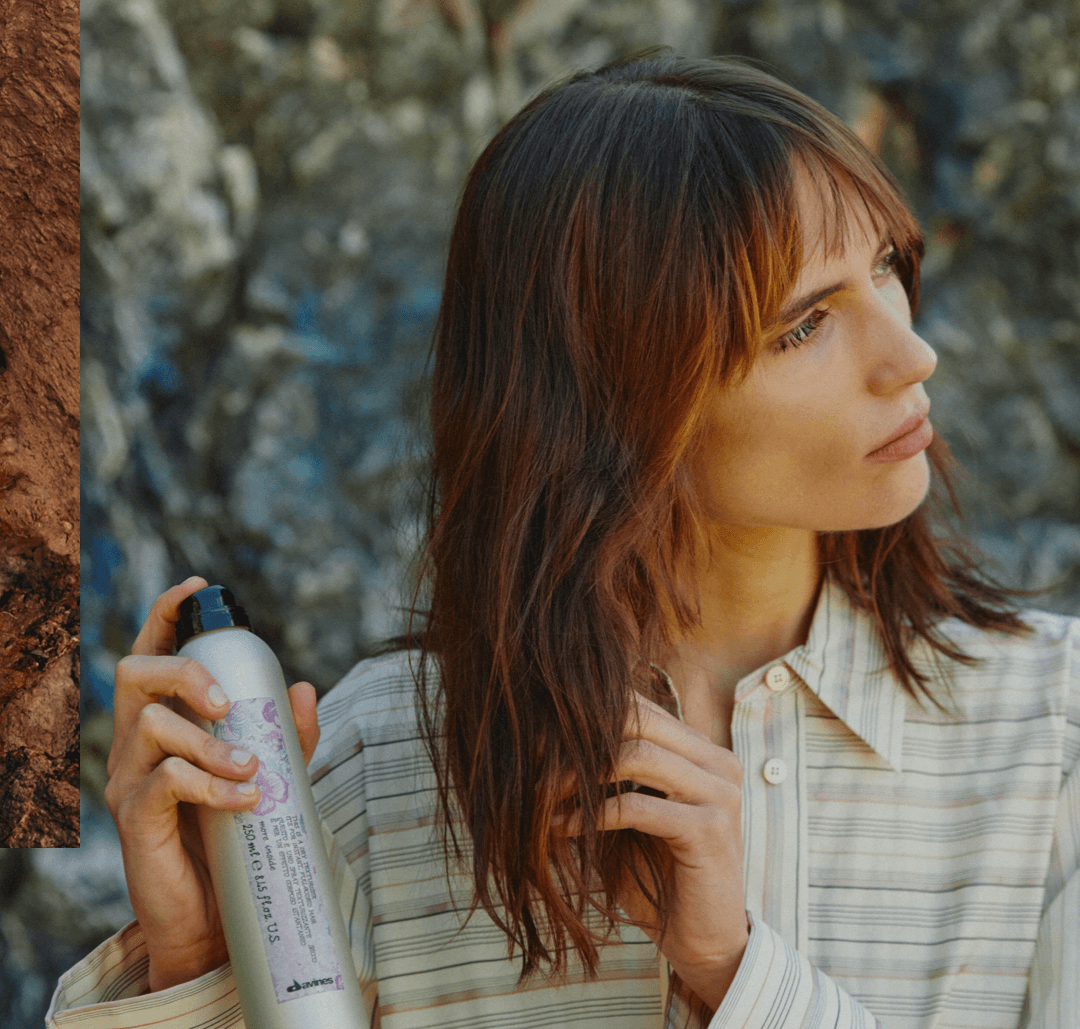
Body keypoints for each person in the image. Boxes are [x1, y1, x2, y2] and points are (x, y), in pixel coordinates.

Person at [50, 51, 1078, 1029]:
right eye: (803, 324)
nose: (913, 351)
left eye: (889, 268)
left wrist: (735, 972)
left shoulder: (1055, 741)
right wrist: (196, 958)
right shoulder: (374, 768)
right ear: (609, 397)